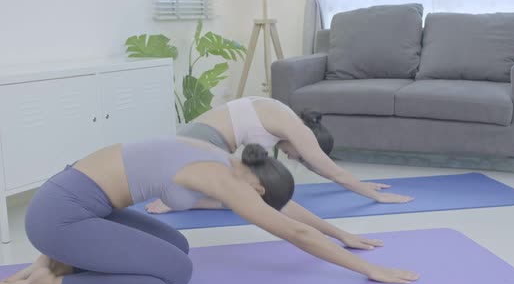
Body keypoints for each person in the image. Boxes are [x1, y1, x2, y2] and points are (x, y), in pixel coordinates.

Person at [0, 138, 418, 284]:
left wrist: (341, 233)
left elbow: (285, 212)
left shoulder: (229, 162)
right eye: (261, 201)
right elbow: (291, 231)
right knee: (175, 274)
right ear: (255, 188)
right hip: (59, 217)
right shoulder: (222, 178)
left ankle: (54, 257)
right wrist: (367, 269)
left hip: (71, 205)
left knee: (176, 246)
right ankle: (48, 283)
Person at [146, 96, 413, 219]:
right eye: (301, 158)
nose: (291, 157)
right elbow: (332, 170)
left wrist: (364, 185)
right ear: (308, 142)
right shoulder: (297, 130)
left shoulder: (283, 114)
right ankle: (179, 199)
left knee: (250, 191)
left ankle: (181, 193)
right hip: (197, 147)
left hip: (192, 142)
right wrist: (376, 196)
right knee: (255, 200)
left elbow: (323, 167)